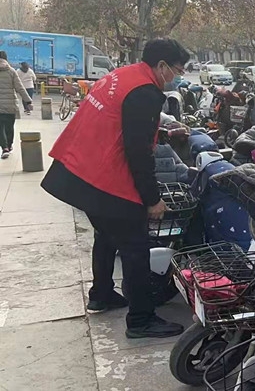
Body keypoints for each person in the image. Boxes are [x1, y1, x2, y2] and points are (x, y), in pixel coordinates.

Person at [41, 38, 190, 339]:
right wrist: (152, 199)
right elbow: (138, 151)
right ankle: (141, 320)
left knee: (106, 233)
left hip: (79, 170)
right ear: (161, 65)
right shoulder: (146, 92)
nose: (177, 76)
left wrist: (158, 132)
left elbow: (120, 122)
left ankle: (102, 293)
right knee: (135, 246)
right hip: (103, 176)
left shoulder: (121, 76)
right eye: (177, 70)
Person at [0, 51, 33, 159]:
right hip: (10, 105)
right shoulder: (11, 71)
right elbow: (20, 88)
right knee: (9, 127)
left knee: (0, 128)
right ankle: (9, 146)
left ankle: (4, 147)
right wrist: (28, 101)